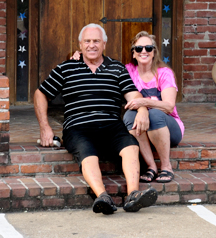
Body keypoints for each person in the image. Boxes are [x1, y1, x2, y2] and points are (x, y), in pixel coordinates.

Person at [34, 23, 158, 215]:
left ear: (104, 44)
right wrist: (45, 127)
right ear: (80, 44)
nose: (92, 45)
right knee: (87, 154)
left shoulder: (116, 67)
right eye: (87, 41)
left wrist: (142, 108)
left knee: (131, 146)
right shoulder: (66, 68)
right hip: (77, 126)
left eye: (96, 41)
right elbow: (41, 94)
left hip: (111, 125)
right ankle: (102, 197)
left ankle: (133, 195)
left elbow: (133, 94)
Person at [123, 31, 184, 183]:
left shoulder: (164, 73)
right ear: (133, 53)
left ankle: (166, 166)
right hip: (143, 130)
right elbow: (104, 65)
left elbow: (169, 107)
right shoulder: (128, 71)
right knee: (129, 116)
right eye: (139, 48)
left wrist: (144, 103)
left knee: (155, 114)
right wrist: (79, 57)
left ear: (154, 52)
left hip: (170, 128)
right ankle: (151, 167)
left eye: (148, 48)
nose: (143, 51)